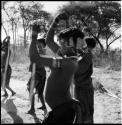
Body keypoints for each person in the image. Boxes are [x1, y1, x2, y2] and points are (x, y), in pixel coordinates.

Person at [29, 13, 88, 123]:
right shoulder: (67, 57)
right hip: (63, 110)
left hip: (63, 113)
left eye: (62, 42)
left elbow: (34, 58)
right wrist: (55, 21)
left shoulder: (66, 62)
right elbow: (49, 41)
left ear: (70, 43)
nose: (59, 45)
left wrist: (33, 36)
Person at [74, 37, 96, 123]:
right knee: (82, 112)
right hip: (81, 87)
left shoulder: (88, 55)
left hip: (84, 89)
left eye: (84, 45)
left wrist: (80, 36)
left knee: (86, 112)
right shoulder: (82, 55)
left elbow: (81, 45)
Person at [27, 37, 47, 114]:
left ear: (41, 43)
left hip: (38, 73)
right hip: (41, 73)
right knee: (40, 92)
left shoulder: (41, 51)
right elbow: (30, 56)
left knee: (30, 89)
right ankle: (44, 106)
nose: (36, 43)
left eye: (37, 42)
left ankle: (32, 109)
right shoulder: (41, 51)